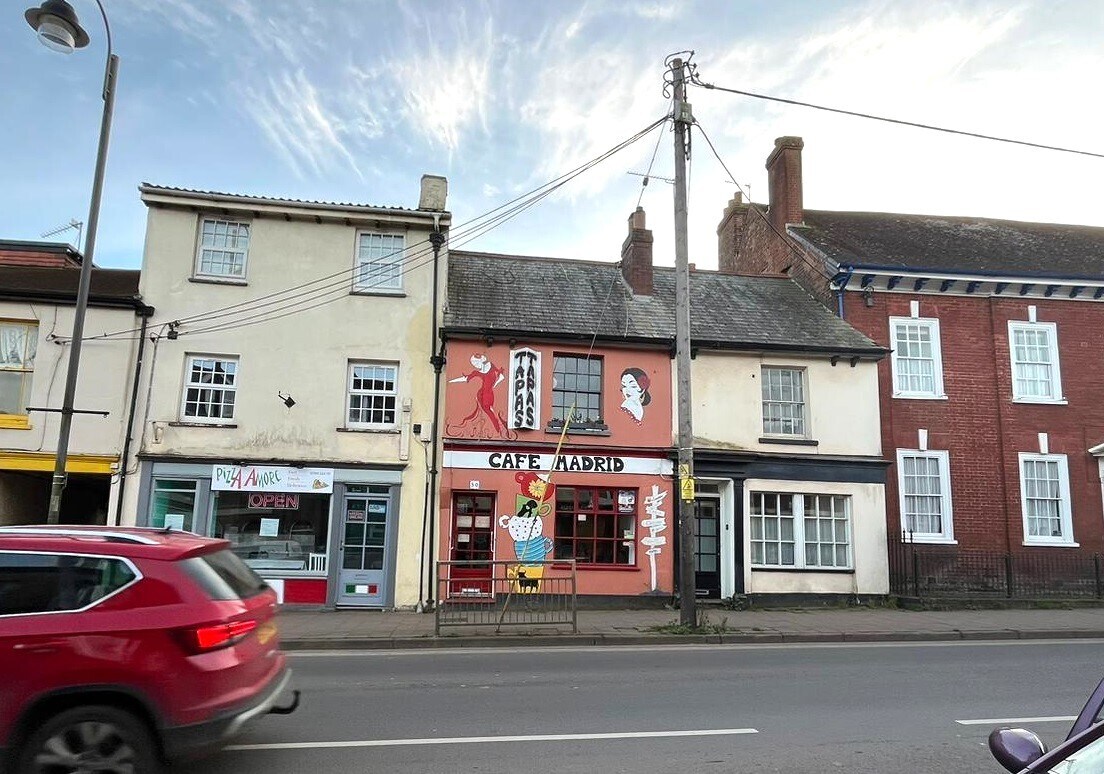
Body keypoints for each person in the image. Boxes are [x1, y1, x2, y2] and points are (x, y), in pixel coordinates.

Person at [449, 354, 508, 434]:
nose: (475, 365)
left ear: (482, 359)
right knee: (489, 411)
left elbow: (501, 377)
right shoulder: (477, 372)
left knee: (491, 411)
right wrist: (452, 381)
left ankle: (499, 429)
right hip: (482, 394)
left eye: (476, 362)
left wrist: (494, 385)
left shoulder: (491, 365)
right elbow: (465, 378)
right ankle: (498, 430)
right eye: (474, 364)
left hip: (488, 393)